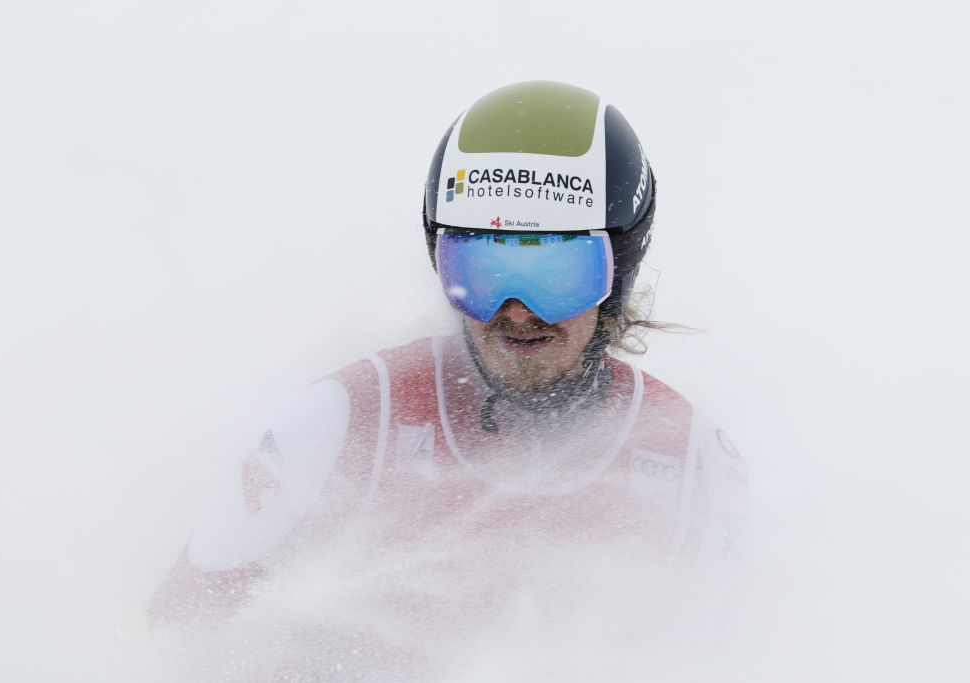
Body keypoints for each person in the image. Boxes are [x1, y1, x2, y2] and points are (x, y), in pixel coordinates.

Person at [148, 81, 748, 669]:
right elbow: (175, 641)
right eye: (480, 270)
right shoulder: (344, 422)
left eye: (558, 273)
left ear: (619, 273)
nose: (516, 311)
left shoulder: (696, 464)